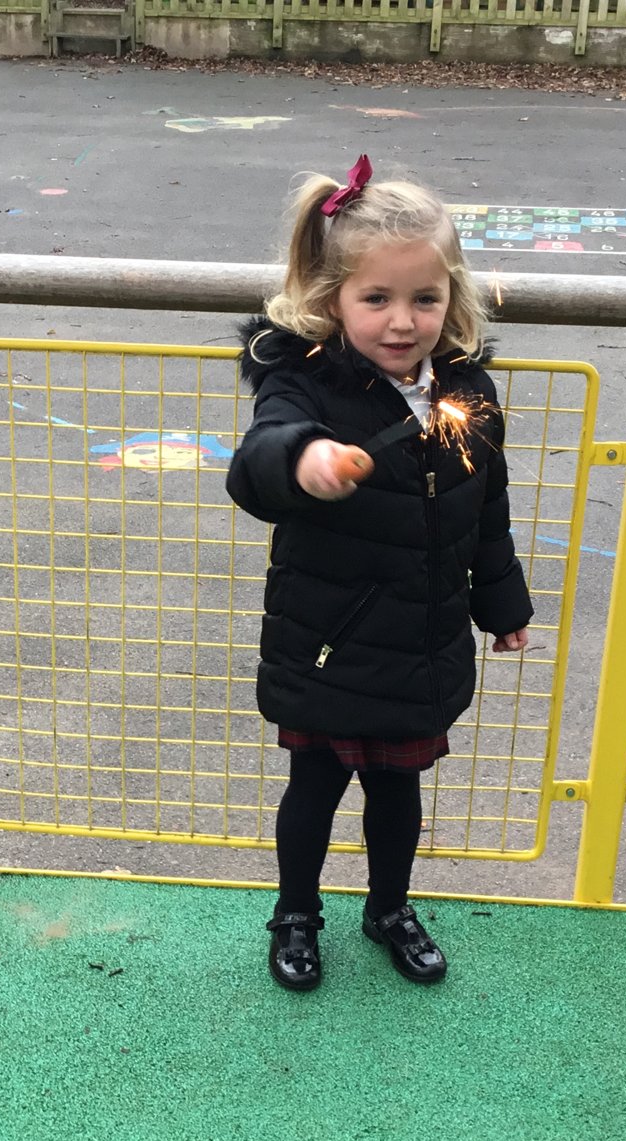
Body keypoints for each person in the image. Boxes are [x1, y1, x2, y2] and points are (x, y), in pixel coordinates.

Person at [227, 155, 533, 993]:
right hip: (330, 638)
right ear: (333, 300)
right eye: (377, 299)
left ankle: (389, 906)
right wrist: (304, 458)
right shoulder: (306, 385)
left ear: (451, 298)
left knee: (398, 793)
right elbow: (258, 459)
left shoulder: (465, 389)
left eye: (424, 299)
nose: (403, 322)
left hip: (421, 638)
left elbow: (487, 504)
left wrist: (500, 601)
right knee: (314, 791)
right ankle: (296, 913)